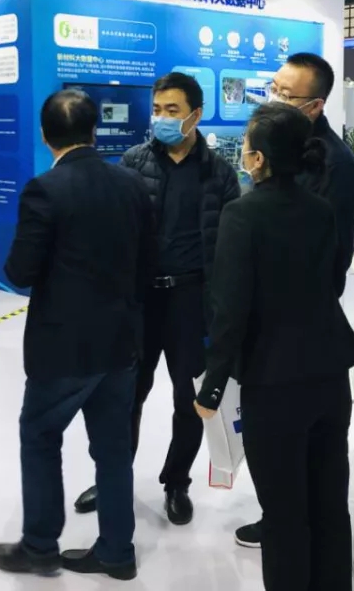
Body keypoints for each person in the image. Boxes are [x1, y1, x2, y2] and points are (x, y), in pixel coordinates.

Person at [194, 103, 354, 591]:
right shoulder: (320, 209)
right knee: (330, 503)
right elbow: (332, 281)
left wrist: (211, 387)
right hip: (329, 372)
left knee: (284, 511)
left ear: (258, 159)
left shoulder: (242, 214)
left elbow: (230, 308)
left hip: (274, 380)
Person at [0, 90, 155, 581]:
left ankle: (40, 546)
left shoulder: (45, 190)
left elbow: (20, 272)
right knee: (113, 450)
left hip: (63, 349)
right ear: (94, 131)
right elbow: (148, 262)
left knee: (41, 436)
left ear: (45, 136)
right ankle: (117, 552)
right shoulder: (131, 185)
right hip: (121, 343)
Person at [74, 72, 240, 525]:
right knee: (125, 394)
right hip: (140, 300)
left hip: (192, 302)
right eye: (157, 109)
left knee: (189, 400)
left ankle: (177, 482)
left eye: (173, 110)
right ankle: (113, 478)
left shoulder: (220, 174)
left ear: (195, 115)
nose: (162, 118)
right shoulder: (133, 161)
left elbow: (231, 248)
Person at [234, 53, 354, 548]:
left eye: (286, 95)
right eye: (274, 88)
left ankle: (298, 537)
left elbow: (331, 259)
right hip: (270, 328)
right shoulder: (274, 150)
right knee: (282, 458)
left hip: (304, 331)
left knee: (315, 458)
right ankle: (284, 520)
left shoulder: (335, 165)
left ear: (314, 106)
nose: (274, 99)